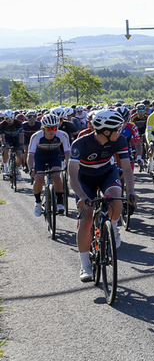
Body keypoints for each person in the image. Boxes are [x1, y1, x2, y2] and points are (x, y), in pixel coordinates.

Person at [70, 110, 127, 282]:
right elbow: (72, 175)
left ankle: (114, 227)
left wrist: (131, 191)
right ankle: (85, 264)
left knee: (116, 198)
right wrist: (80, 195)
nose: (121, 131)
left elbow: (128, 169)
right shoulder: (80, 144)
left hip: (106, 174)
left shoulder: (120, 141)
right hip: (84, 179)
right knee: (87, 217)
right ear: (106, 131)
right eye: (118, 128)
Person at [27, 113, 70, 216]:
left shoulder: (63, 135)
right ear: (42, 129)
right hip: (40, 157)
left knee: (56, 175)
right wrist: (31, 168)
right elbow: (31, 154)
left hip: (54, 156)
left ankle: (60, 202)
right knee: (39, 178)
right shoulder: (36, 136)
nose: (52, 131)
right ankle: (37, 202)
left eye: (54, 128)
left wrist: (68, 166)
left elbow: (68, 152)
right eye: (48, 129)